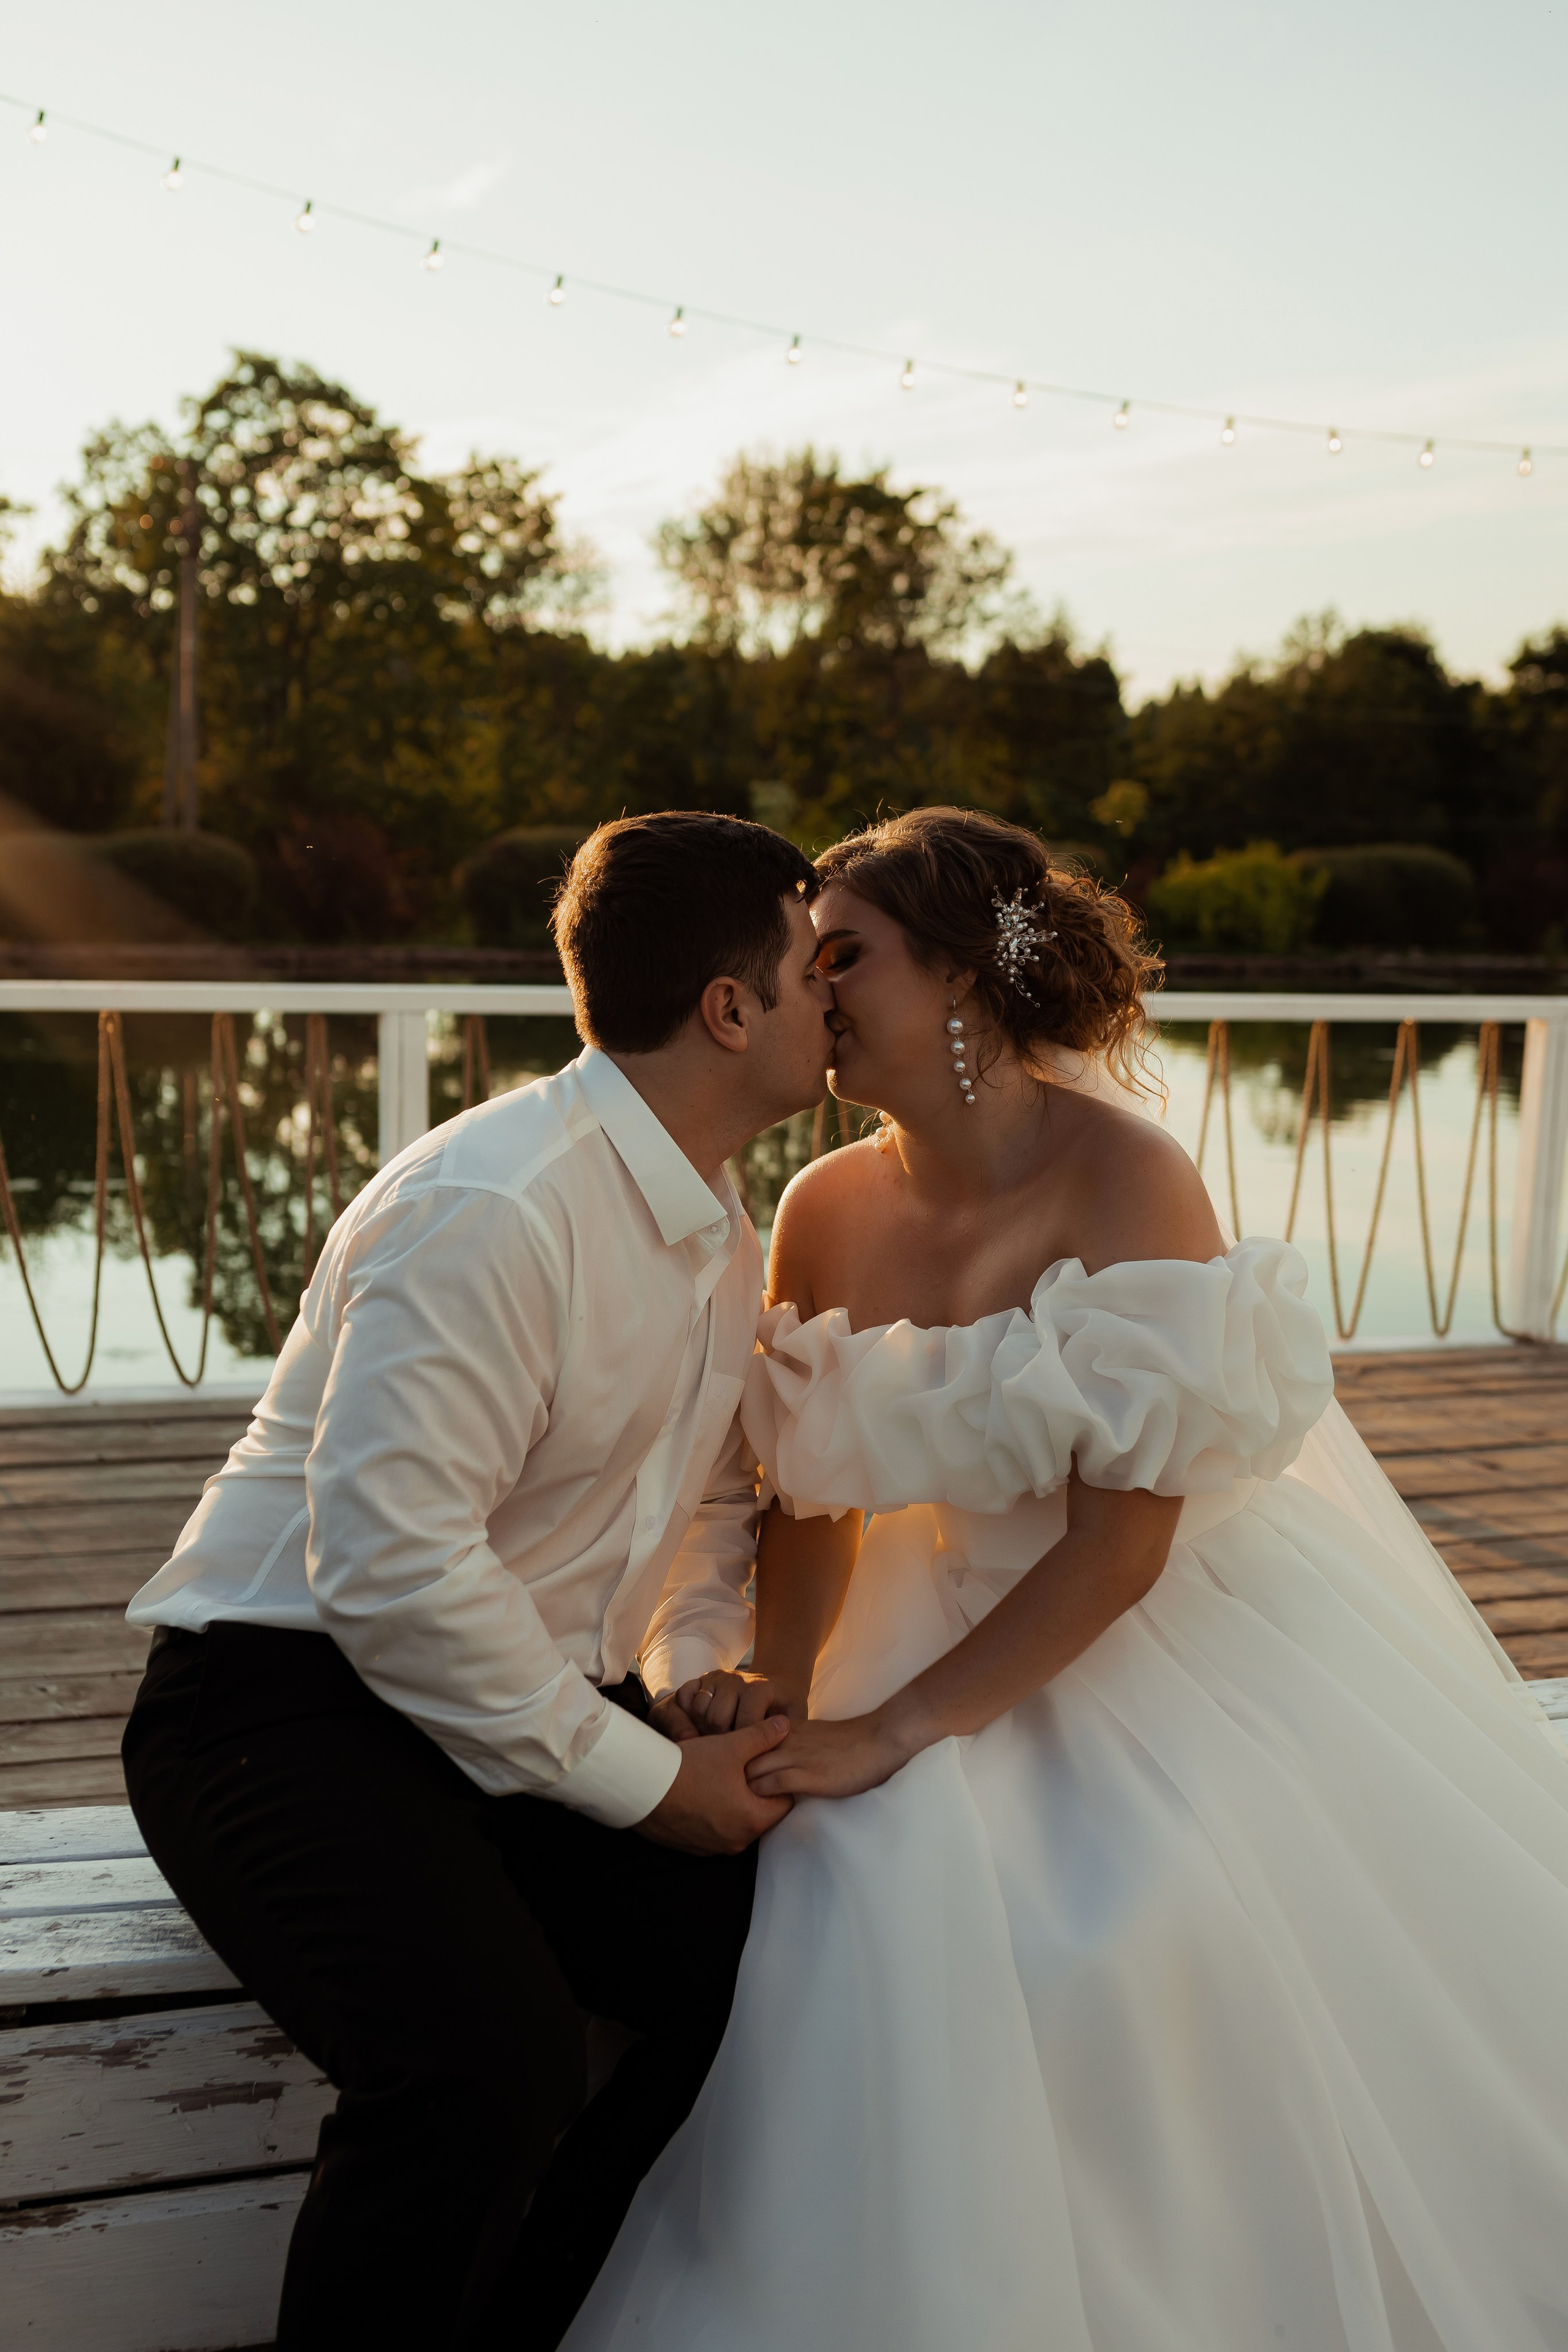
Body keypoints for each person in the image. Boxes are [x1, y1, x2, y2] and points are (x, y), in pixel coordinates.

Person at [565, 806, 1568, 2352]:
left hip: (1133, 1633)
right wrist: (783, 1682)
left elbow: (1122, 1541)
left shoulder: (1129, 1181)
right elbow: (816, 1496)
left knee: (1116, 1927)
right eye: (806, 959)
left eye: (846, 957)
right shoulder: (822, 1209)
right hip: (896, 1618)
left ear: (964, 980)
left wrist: (894, 1730)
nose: (811, 990)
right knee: (828, 1891)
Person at [120, 811, 835, 2352]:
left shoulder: (716, 1225)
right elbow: (387, 1573)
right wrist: (650, 1786)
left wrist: (692, 1665)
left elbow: (705, 1494)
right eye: (808, 965)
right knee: (478, 2064)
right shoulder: (499, 1204)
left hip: (510, 1709)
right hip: (278, 1706)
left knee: (765, 1973)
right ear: (728, 1007)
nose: (833, 1000)